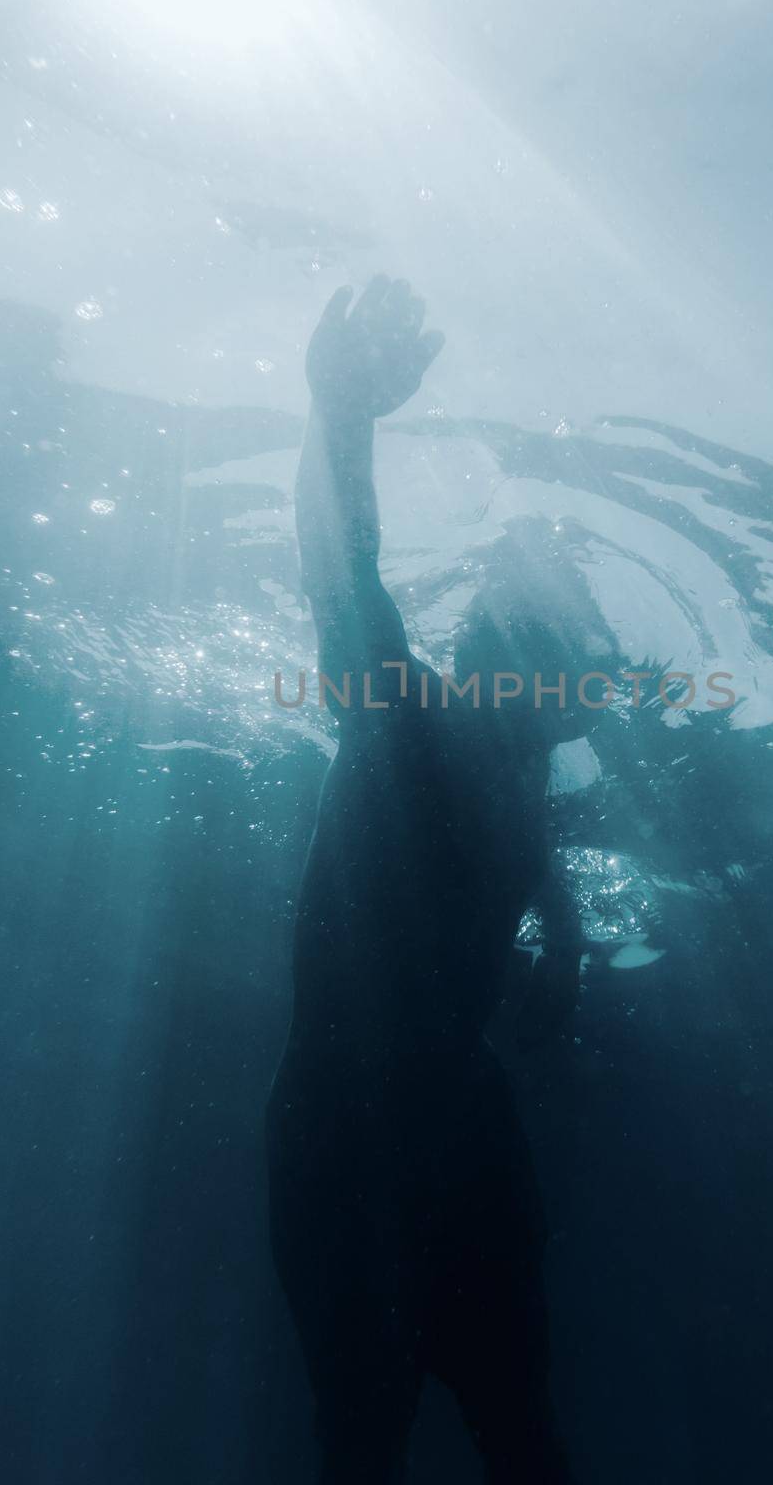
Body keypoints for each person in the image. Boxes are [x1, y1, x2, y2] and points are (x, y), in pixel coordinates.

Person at [267, 276, 602, 1483]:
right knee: (370, 1439)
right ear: (506, 658)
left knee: (520, 1436)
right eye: (571, 651)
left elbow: (520, 865)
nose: (589, 685)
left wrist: (560, 941)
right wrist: (336, 411)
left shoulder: (513, 777)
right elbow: (342, 584)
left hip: (454, 1126)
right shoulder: (402, 722)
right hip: (348, 1138)